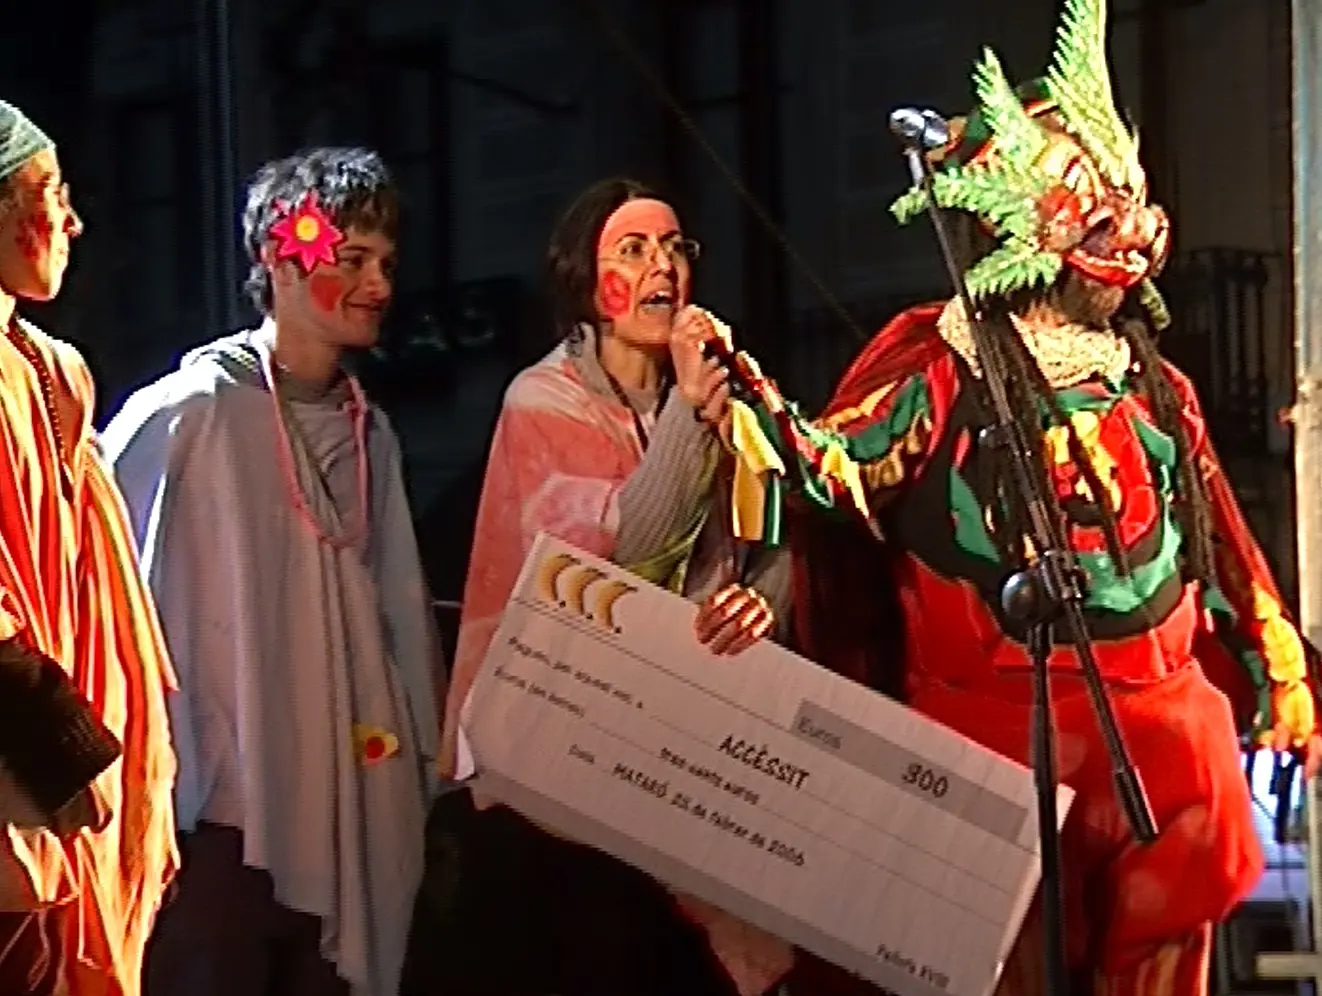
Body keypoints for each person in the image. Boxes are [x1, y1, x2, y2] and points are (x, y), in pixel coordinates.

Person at [708, 1, 1312, 991]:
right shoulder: (941, 368)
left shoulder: (1153, 384)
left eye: (1131, 208)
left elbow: (1218, 539)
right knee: (1007, 966)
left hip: (1166, 739)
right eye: (1096, 217)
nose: (1128, 244)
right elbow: (841, 470)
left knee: (1167, 959)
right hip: (999, 745)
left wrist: (1275, 661)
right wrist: (751, 402)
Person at [408, 178, 790, 996]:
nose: (664, 267)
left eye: (676, 247)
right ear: (588, 282)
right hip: (574, 773)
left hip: (695, 750)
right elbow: (624, 557)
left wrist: (763, 601)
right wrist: (691, 416)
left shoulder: (722, 394)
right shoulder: (543, 401)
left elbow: (778, 532)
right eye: (635, 249)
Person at [101, 147, 444, 996]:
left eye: (386, 263)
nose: (378, 285)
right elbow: (110, 599)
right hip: (220, 819)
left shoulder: (370, 432)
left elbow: (398, 614)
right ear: (281, 259)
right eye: (352, 259)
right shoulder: (189, 416)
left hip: (343, 803)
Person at [0, 98, 178, 996]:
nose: (70, 221)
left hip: (43, 803)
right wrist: (57, 731)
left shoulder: (51, 367)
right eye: (49, 193)